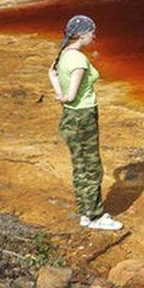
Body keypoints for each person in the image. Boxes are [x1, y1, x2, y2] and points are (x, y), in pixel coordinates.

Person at [47, 15, 122, 231]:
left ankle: (86, 213)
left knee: (79, 165)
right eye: (91, 32)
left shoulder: (63, 54)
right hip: (83, 116)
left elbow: (52, 73)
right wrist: (64, 97)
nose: (94, 35)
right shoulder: (79, 60)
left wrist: (60, 94)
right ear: (81, 35)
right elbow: (71, 96)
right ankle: (96, 217)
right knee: (92, 168)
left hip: (70, 117)